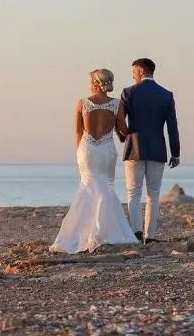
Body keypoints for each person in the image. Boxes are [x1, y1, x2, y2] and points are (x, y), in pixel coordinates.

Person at [51, 69, 139, 253]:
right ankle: (105, 231)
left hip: (87, 149)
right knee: (106, 188)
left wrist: (81, 151)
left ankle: (78, 234)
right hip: (107, 149)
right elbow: (123, 130)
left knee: (87, 187)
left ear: (95, 82)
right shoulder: (117, 104)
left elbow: (77, 132)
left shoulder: (82, 103)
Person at [116, 58, 180, 244]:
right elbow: (172, 127)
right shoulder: (166, 95)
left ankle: (135, 233)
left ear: (141, 71)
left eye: (133, 71)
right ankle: (150, 237)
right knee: (153, 194)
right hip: (157, 150)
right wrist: (175, 152)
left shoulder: (128, 92)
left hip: (133, 149)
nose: (132, 74)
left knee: (133, 193)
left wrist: (125, 136)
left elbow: (119, 120)